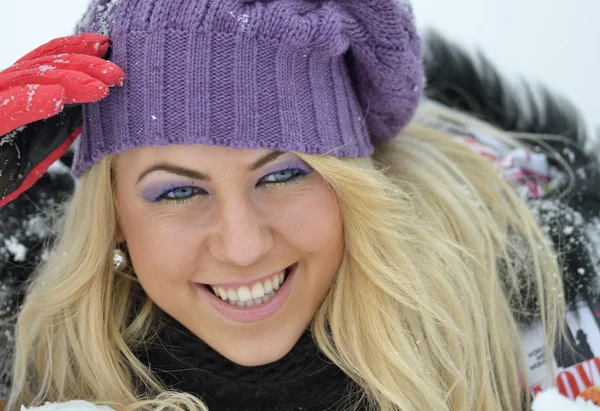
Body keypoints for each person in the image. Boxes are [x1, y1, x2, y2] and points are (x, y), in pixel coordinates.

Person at [0, 0, 598, 410]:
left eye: (284, 174)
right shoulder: (30, 336)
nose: (243, 245)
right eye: (179, 190)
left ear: (354, 187)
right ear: (113, 219)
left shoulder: (546, 327)